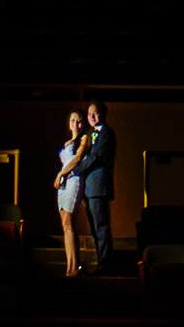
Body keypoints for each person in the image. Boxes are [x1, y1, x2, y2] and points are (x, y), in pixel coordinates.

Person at [70, 100, 116, 272]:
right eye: (89, 113)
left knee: (101, 227)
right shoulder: (88, 133)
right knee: (94, 228)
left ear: (104, 114)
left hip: (99, 187)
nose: (92, 116)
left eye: (96, 113)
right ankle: (100, 261)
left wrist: (75, 171)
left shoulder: (107, 134)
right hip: (88, 189)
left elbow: (94, 158)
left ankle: (105, 264)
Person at [52, 110, 92, 276]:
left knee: (69, 220)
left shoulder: (85, 138)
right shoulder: (67, 142)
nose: (76, 123)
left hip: (73, 180)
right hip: (63, 184)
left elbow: (76, 160)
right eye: (73, 120)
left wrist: (60, 174)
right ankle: (69, 266)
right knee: (65, 224)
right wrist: (61, 177)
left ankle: (76, 265)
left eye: (79, 120)